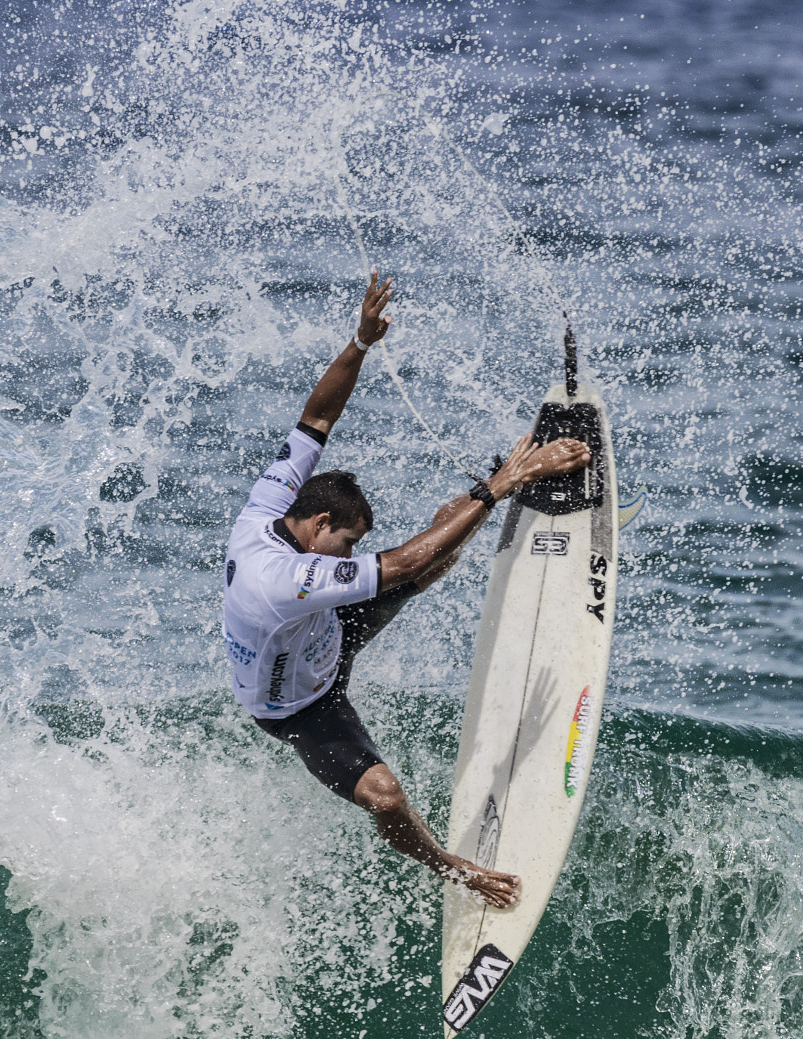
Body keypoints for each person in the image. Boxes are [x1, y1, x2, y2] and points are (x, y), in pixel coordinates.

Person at [222, 272, 591, 908]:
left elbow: (315, 416)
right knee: (385, 795)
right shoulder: (282, 579)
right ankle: (454, 869)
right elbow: (391, 567)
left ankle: (516, 484)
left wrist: (360, 343)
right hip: (297, 707)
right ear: (318, 527)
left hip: (323, 634)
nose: (352, 551)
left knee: (442, 537)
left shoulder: (270, 507)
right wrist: (502, 481)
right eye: (347, 542)